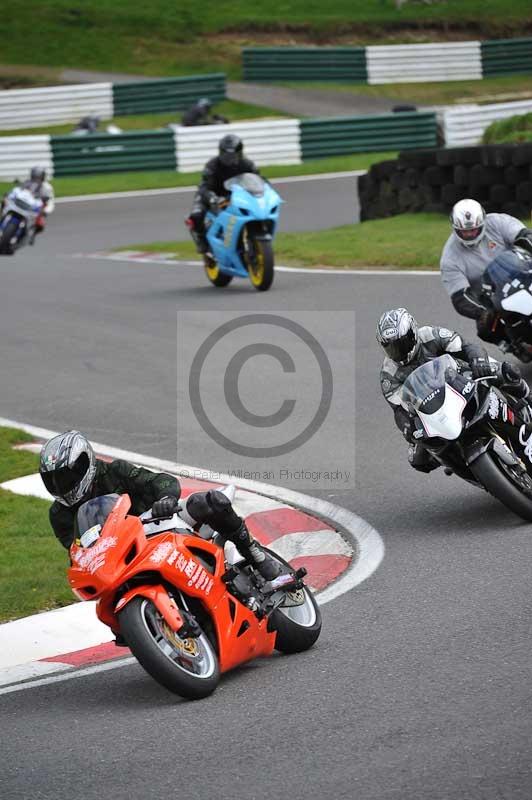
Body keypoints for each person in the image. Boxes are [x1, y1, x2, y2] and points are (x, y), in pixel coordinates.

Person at [39, 430, 280, 581]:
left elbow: (160, 481)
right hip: (123, 554)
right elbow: (77, 552)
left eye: (67, 476)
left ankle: (253, 553)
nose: (62, 485)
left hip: (159, 523)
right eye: (54, 479)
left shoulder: (115, 471)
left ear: (85, 463)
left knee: (207, 502)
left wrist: (165, 500)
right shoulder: (59, 514)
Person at [377, 307, 531, 472]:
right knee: (417, 460)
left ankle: (528, 403)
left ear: (413, 333)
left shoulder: (431, 335)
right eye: (390, 347)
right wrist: (407, 427)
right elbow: (399, 410)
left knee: (508, 372)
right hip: (430, 408)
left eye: (401, 343)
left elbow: (466, 346)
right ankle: (457, 462)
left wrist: (478, 361)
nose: (397, 351)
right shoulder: (388, 375)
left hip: (462, 378)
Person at [440, 199, 532, 344]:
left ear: (483, 222)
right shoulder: (449, 259)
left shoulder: (498, 222)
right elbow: (460, 297)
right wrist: (483, 312)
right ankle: (517, 345)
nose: (470, 234)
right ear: (455, 229)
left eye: (473, 229)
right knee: (485, 329)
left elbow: (524, 236)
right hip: (492, 299)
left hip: (523, 274)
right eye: (464, 232)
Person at [187, 134, 259, 255]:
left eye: (233, 155)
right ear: (220, 152)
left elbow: (258, 180)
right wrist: (212, 198)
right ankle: (202, 240)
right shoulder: (212, 165)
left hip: (237, 196)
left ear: (240, 153)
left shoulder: (248, 165)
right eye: (226, 155)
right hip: (213, 194)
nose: (229, 159)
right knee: (196, 215)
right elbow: (205, 186)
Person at [24, 166, 55, 242]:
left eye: (38, 177)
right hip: (24, 204)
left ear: (42, 177)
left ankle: (31, 234)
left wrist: (46, 211)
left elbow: (50, 201)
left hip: (36, 207)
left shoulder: (47, 187)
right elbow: (18, 191)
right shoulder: (27, 183)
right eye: (35, 176)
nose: (36, 179)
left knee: (40, 225)